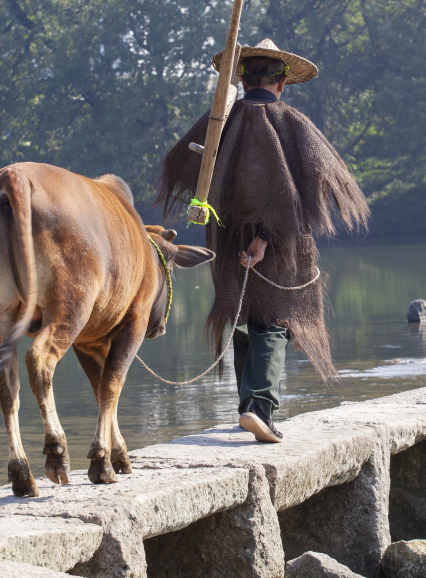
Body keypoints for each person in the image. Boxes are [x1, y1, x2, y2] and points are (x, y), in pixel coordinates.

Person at [157, 38, 369, 443]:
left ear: (242, 77)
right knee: (275, 321)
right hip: (280, 245)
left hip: (225, 242)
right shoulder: (291, 123)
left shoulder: (219, 121)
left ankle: (247, 406)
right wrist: (266, 239)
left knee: (243, 317)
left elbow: (178, 165)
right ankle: (259, 406)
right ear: (283, 82)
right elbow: (296, 192)